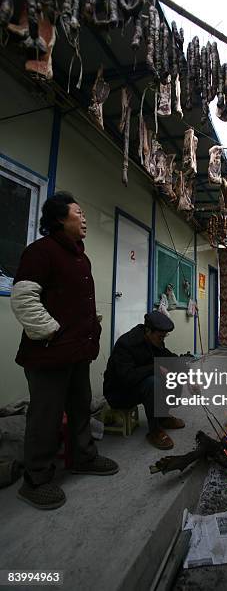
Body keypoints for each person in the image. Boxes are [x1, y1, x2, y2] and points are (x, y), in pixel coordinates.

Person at [10, 192, 118, 510]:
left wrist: (88, 328)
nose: (84, 218)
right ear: (59, 218)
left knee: (80, 406)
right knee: (46, 416)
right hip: (49, 353)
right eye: (78, 212)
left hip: (76, 352)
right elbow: (23, 298)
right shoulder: (41, 252)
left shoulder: (80, 257)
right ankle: (36, 480)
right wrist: (52, 332)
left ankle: (83, 457)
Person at [103, 311, 185, 450]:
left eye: (164, 337)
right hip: (119, 392)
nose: (162, 340)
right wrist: (155, 368)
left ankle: (163, 416)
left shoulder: (155, 342)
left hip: (137, 385)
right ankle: (154, 431)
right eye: (160, 337)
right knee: (153, 382)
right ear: (148, 331)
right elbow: (127, 378)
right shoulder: (126, 344)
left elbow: (169, 358)